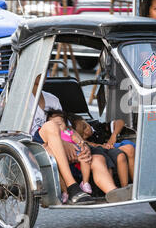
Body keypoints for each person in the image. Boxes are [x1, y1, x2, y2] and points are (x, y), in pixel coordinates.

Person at [30, 75, 132, 204]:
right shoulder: (22, 99)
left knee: (96, 158)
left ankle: (114, 192)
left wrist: (82, 145)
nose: (42, 73)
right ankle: (72, 187)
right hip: (38, 143)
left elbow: (67, 129)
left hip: (64, 142)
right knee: (51, 126)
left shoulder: (52, 99)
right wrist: (61, 144)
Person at [69, 114, 135, 185]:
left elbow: (120, 122)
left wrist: (114, 135)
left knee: (129, 148)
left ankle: (135, 183)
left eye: (85, 127)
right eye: (83, 135)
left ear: (84, 120)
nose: (87, 132)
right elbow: (92, 145)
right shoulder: (84, 142)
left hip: (112, 147)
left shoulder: (98, 127)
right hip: (104, 151)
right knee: (128, 149)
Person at [46, 109, 93, 203]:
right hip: (61, 156)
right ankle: (65, 191)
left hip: (76, 153)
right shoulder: (51, 135)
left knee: (85, 158)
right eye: (54, 125)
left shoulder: (69, 132)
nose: (57, 127)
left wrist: (82, 145)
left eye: (59, 124)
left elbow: (77, 140)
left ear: (65, 124)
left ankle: (85, 182)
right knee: (56, 166)